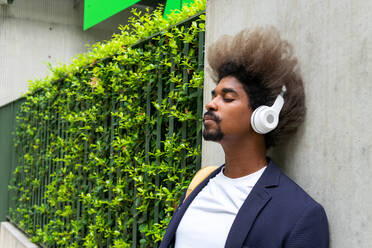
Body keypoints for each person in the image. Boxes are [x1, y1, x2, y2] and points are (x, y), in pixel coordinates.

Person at [159, 27, 329, 248]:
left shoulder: (300, 216)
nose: (211, 104)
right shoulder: (199, 184)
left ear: (264, 116)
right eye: (214, 95)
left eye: (227, 98)